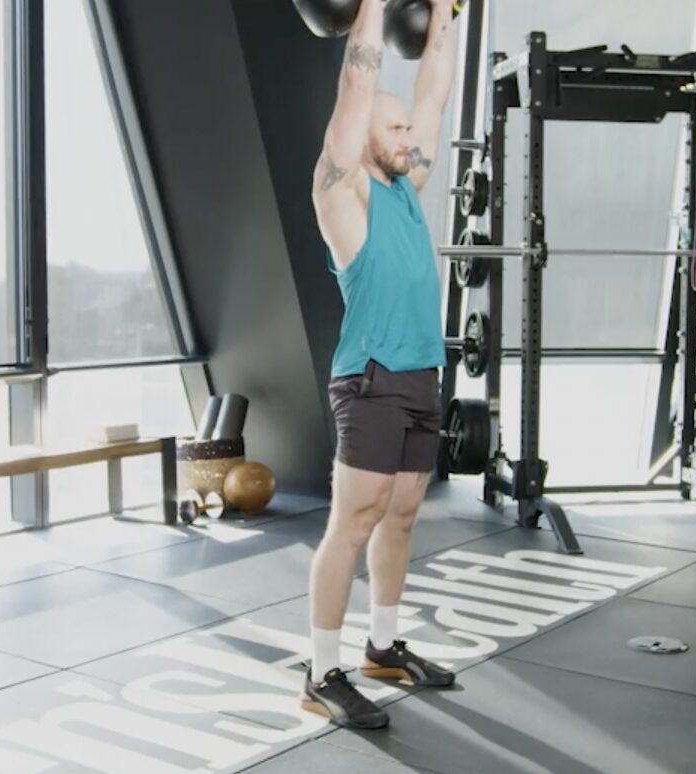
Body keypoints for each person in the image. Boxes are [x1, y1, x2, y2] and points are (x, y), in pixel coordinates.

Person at [301, 0, 458, 730]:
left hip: (421, 373)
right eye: (393, 129)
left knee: (400, 517)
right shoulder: (343, 191)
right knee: (354, 522)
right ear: (361, 136)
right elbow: (357, 88)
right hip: (369, 378)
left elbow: (433, 92)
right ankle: (321, 669)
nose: (409, 136)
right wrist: (368, 6)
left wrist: (449, 12)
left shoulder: (404, 189)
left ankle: (384, 646)